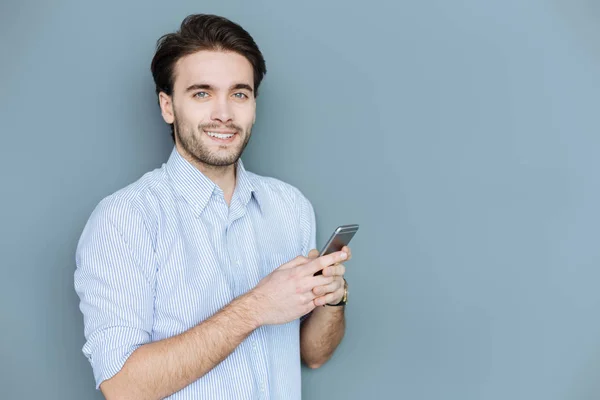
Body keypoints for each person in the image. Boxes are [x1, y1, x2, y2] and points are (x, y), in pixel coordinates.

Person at [74, 13, 352, 400]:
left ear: (254, 104)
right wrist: (257, 307)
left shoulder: (291, 207)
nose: (224, 113)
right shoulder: (125, 218)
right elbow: (123, 388)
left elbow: (313, 354)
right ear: (168, 106)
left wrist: (332, 299)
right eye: (202, 93)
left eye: (239, 93)